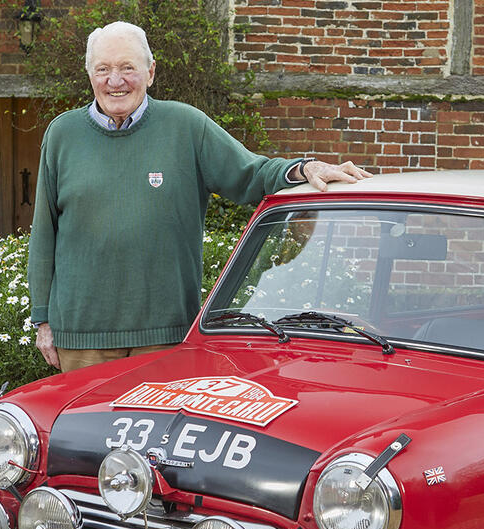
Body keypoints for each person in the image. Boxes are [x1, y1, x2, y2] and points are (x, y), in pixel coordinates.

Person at [27, 20, 372, 372]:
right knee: (82, 429)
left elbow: (251, 174)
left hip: (165, 335)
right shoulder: (62, 134)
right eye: (103, 69)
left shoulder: (187, 127)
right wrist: (43, 320)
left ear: (150, 72)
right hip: (83, 340)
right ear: (90, 75)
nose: (115, 81)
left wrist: (305, 168)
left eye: (127, 68)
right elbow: (44, 233)